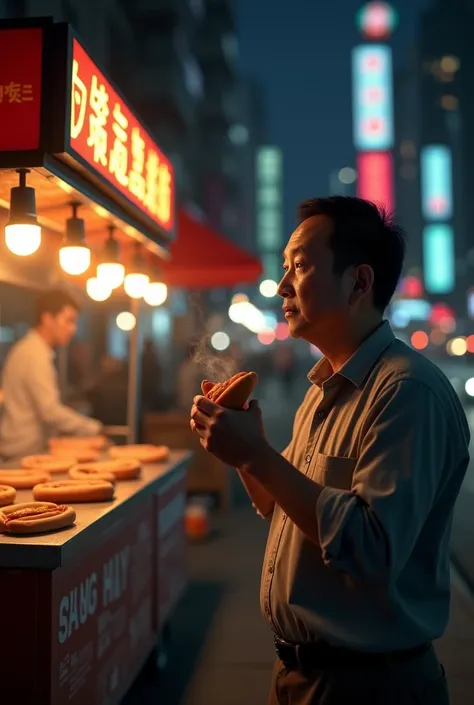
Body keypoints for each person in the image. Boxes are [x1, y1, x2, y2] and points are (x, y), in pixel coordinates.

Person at [190, 196, 469, 705]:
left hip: (371, 686)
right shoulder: (324, 387)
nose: (281, 286)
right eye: (284, 268)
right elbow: (283, 507)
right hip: (304, 678)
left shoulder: (407, 392)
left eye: (299, 266)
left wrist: (256, 457)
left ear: (359, 282)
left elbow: (372, 549)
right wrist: (242, 451)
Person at [0, 289, 102, 459]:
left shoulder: (31, 349)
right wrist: (93, 428)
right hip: (22, 453)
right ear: (47, 319)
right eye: (68, 321)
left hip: (23, 449)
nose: (73, 329)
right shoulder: (34, 354)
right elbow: (50, 411)